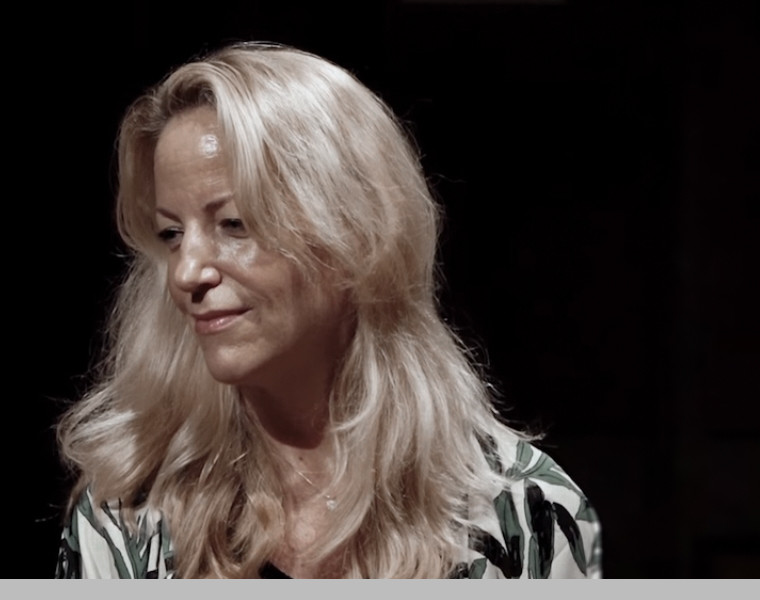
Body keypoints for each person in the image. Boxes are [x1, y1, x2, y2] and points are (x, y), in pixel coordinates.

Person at [54, 42, 602, 579]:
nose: (186, 272)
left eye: (234, 224)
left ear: (353, 232)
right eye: (171, 234)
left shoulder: (528, 516)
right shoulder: (125, 514)